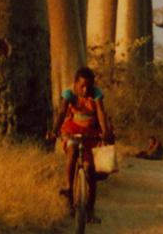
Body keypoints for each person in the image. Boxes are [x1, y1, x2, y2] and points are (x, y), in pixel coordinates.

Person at [51, 67, 112, 223]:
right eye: (82, 86)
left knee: (90, 171)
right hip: (72, 128)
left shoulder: (96, 93)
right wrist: (54, 130)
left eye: (89, 86)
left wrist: (105, 132)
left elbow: (100, 113)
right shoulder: (69, 93)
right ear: (76, 85)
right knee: (72, 151)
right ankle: (69, 188)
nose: (85, 90)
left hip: (91, 130)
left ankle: (90, 210)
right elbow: (62, 112)